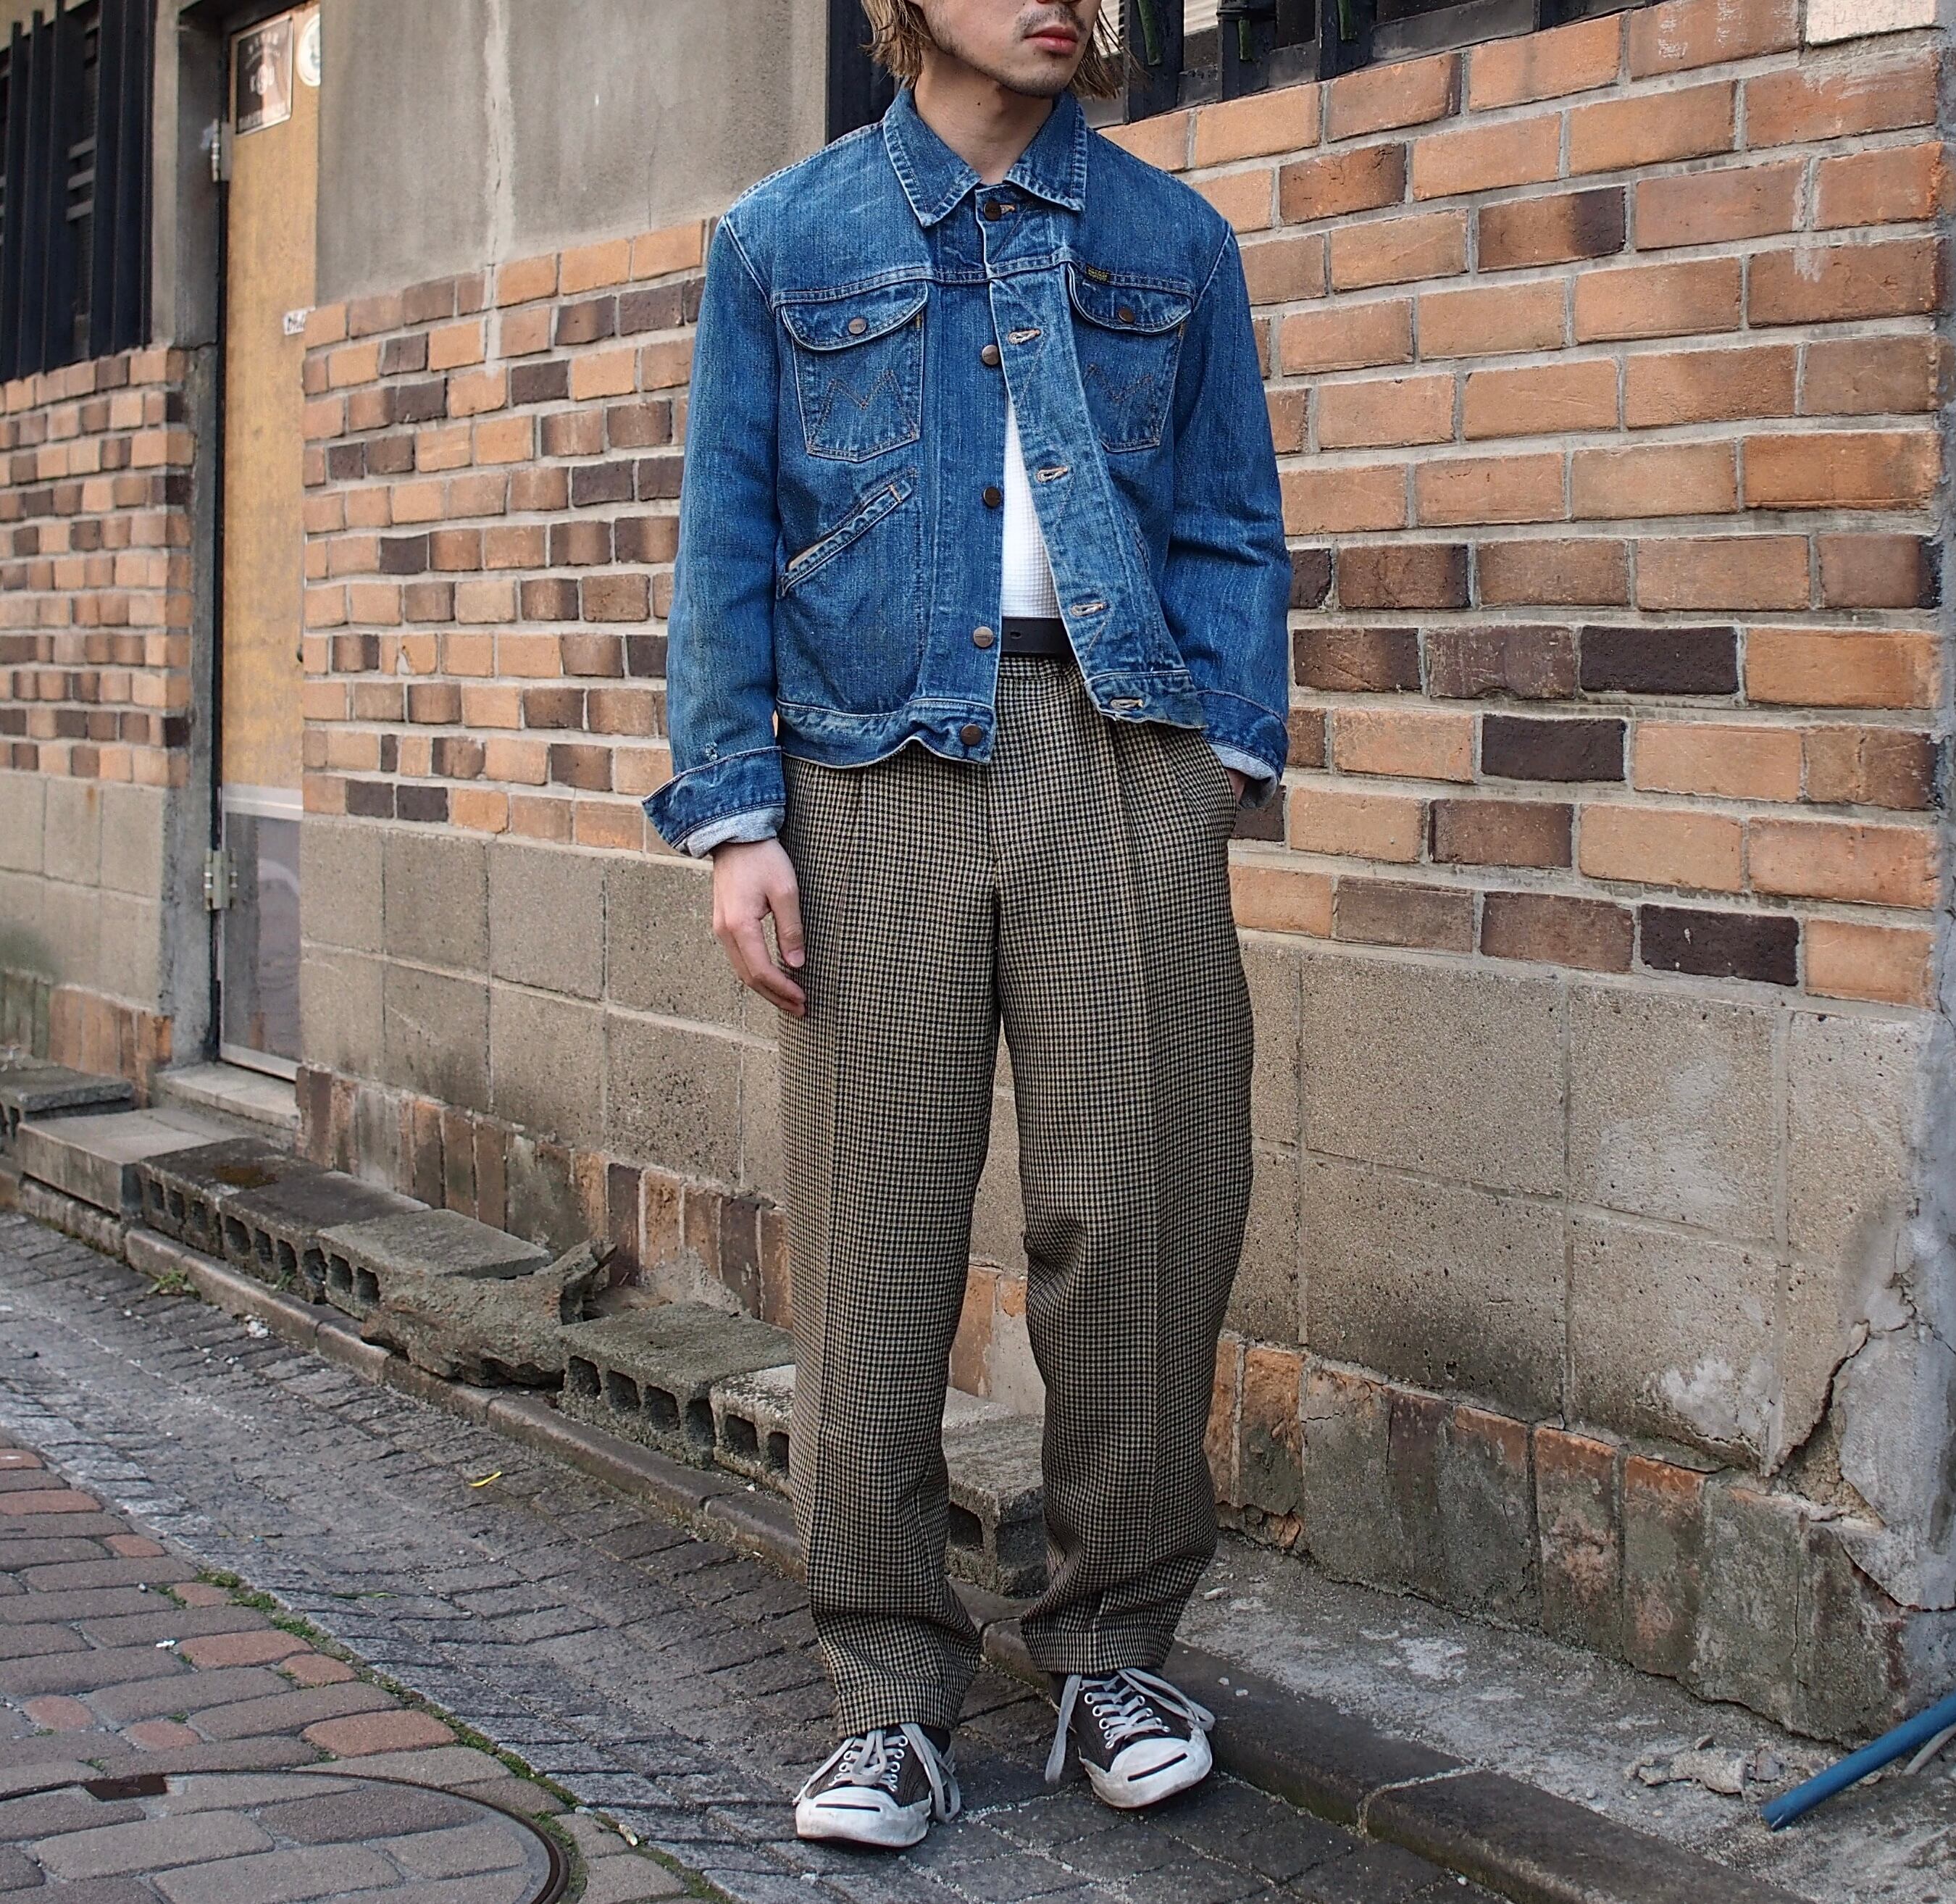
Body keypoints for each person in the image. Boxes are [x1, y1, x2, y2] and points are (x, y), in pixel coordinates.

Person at [645, 0, 1290, 1851]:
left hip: (1120, 756)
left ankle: (1116, 1651)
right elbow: (724, 541)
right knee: (880, 1246)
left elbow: (1233, 525)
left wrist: (1218, 767)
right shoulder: (783, 240)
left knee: (1143, 1213)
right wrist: (737, 821)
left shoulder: (1174, 240)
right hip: (866, 776)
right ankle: (887, 1693)